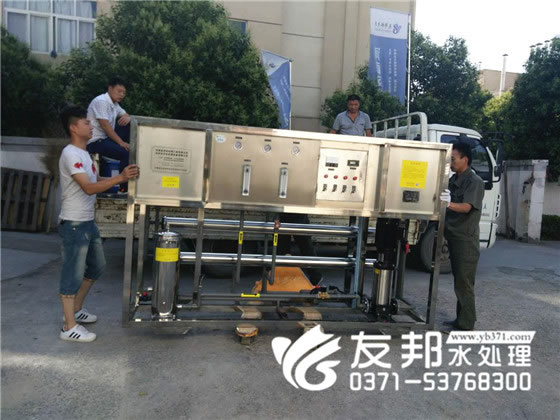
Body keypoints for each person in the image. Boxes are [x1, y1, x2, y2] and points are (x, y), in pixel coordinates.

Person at [58, 105, 139, 342]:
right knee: (72, 275)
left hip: (87, 221)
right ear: (74, 128)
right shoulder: (70, 154)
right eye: (86, 123)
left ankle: (76, 310)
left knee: (96, 267)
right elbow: (88, 187)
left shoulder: (84, 154)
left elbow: (95, 179)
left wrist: (121, 180)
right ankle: (68, 327)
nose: (91, 125)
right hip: (74, 223)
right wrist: (120, 177)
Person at [439, 142, 484, 331]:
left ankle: (466, 324)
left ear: (465, 159)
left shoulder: (474, 181)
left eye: (453, 159)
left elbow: (467, 207)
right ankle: (461, 319)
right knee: (460, 280)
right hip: (454, 235)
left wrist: (449, 204)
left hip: (465, 239)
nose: (450, 163)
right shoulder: (453, 179)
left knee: (464, 283)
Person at [86, 76, 131, 190]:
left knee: (127, 124)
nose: (122, 95)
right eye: (119, 91)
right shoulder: (101, 101)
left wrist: (128, 117)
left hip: (105, 138)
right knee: (125, 153)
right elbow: (105, 126)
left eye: (124, 93)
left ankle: (131, 146)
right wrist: (121, 143)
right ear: (110, 88)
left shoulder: (114, 104)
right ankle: (123, 188)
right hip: (95, 141)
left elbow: (125, 115)